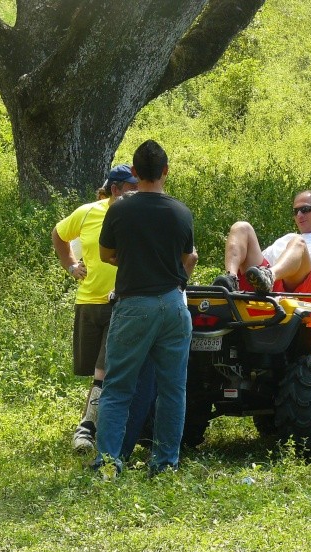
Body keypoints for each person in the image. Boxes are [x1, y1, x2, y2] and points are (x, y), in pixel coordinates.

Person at [96, 140, 197, 478]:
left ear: (135, 173)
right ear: (166, 171)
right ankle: (166, 463)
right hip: (172, 304)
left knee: (118, 387)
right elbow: (188, 257)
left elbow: (105, 253)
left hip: (134, 303)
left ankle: (109, 462)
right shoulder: (181, 212)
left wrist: (128, 257)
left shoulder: (120, 209)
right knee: (172, 389)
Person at [52, 164, 139, 452]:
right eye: (131, 188)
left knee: (105, 370)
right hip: (89, 301)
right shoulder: (88, 212)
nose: (137, 192)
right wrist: (71, 266)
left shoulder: (137, 214)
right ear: (115, 190)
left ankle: (87, 430)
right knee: (95, 371)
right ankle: (93, 425)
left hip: (123, 303)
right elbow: (59, 234)